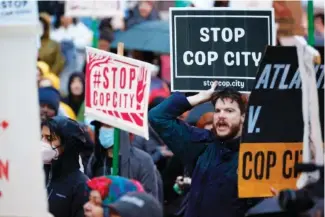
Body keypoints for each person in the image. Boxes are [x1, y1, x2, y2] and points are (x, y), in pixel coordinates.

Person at [149, 82, 259, 217]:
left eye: (229, 111)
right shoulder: (201, 144)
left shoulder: (254, 156)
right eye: (217, 110)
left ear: (243, 117)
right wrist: (200, 97)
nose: (221, 115)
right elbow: (157, 117)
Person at [86, 122, 159, 200]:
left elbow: (150, 199)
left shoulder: (142, 160)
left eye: (108, 125)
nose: (102, 129)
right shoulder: (95, 159)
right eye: (100, 126)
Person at [41, 116, 89, 217]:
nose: (43, 143)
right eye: (42, 137)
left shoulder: (81, 185)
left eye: (49, 138)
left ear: (68, 144)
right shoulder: (38, 174)